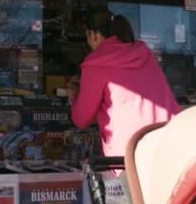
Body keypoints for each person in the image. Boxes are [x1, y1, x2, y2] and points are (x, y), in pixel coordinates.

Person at [67, 9, 182, 159]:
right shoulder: (144, 52)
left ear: (93, 34)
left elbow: (82, 119)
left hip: (130, 155)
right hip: (171, 142)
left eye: (87, 36)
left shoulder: (95, 64)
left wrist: (75, 95)